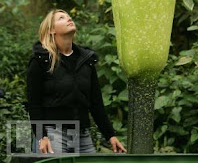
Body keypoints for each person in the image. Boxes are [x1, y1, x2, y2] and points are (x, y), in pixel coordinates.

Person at [27, 9, 126, 155]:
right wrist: (42, 136)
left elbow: (96, 102)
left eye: (69, 16)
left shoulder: (86, 61)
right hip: (54, 135)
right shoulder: (41, 61)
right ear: (52, 30)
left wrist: (110, 135)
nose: (68, 19)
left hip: (82, 135)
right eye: (61, 18)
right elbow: (34, 104)